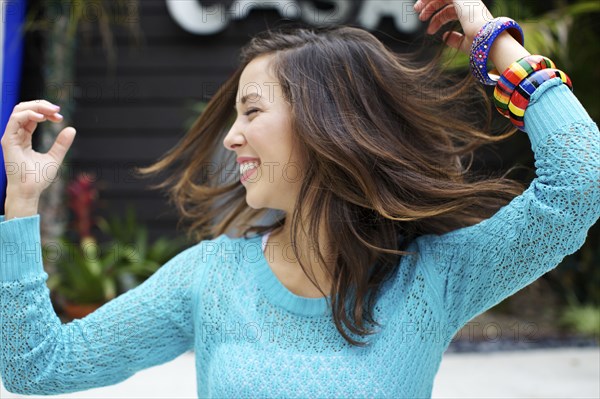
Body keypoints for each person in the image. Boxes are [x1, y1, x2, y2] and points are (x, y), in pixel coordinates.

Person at [1, 0, 598, 397]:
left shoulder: (435, 277)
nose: (231, 136)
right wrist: (21, 204)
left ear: (327, 123)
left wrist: (494, 39)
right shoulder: (210, 278)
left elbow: (579, 187)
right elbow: (37, 366)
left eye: (251, 111)